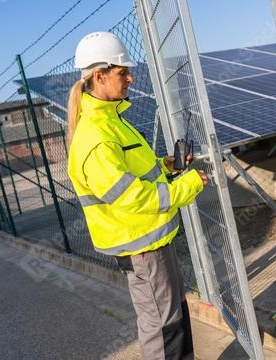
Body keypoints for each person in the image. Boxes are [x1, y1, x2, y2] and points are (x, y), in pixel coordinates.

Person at [66, 32, 208, 360]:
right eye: (122, 72)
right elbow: (132, 196)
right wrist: (188, 185)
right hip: (141, 246)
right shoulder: (96, 136)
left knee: (171, 317)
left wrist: (167, 164)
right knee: (163, 326)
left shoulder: (110, 121)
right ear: (99, 76)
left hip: (150, 242)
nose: (131, 77)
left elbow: (133, 173)